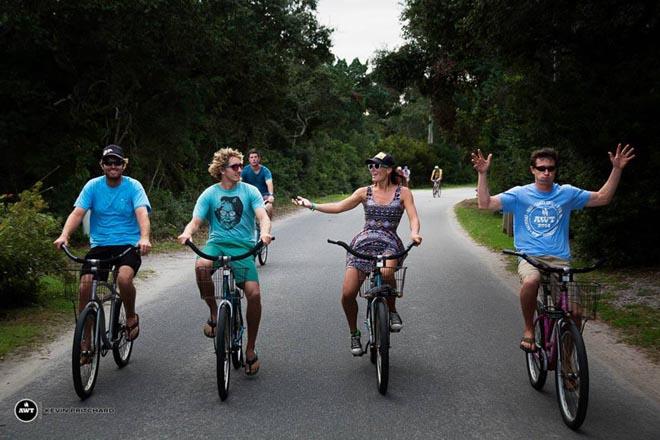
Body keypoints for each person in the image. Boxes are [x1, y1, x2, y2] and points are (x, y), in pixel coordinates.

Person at [471, 144, 635, 352]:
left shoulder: (566, 193)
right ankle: (529, 329)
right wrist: (483, 174)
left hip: (559, 260)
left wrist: (617, 169)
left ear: (556, 170)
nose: (546, 173)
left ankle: (567, 363)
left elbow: (602, 198)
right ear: (533, 170)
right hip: (529, 257)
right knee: (532, 281)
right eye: (541, 168)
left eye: (550, 168)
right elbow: (485, 204)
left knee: (575, 312)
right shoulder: (520, 195)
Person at [292, 152, 422, 355]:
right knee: (347, 293)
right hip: (363, 243)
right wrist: (313, 205)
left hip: (389, 242)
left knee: (388, 273)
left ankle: (392, 311)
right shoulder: (364, 192)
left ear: (388, 170)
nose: (372, 170)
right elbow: (339, 206)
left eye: (377, 166)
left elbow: (413, 217)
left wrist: (414, 233)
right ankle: (354, 333)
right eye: (370, 166)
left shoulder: (403, 192)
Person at [178, 148, 272, 376]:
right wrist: (187, 232)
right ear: (222, 170)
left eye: (241, 166)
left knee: (254, 294)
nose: (241, 170)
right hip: (217, 243)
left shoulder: (250, 191)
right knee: (201, 266)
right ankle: (213, 313)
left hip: (243, 247)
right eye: (235, 167)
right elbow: (196, 220)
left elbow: (262, 216)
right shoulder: (209, 194)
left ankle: (250, 349)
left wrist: (265, 234)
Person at [54, 144, 151, 343]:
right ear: (102, 164)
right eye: (109, 162)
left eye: (117, 162)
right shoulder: (92, 186)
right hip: (100, 246)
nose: (113, 166)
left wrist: (144, 238)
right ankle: (86, 340)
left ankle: (131, 315)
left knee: (124, 279)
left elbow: (142, 213)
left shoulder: (133, 186)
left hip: (128, 244)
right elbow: (78, 213)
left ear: (124, 165)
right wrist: (64, 235)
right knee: (85, 286)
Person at [241, 148, 275, 219]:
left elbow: (269, 183)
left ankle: (267, 225)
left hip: (263, 196)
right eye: (251, 157)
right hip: (250, 196)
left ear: (259, 159)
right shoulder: (245, 171)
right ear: (249, 159)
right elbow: (239, 182)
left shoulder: (265, 170)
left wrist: (271, 195)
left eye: (255, 157)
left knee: (269, 206)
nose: (254, 159)